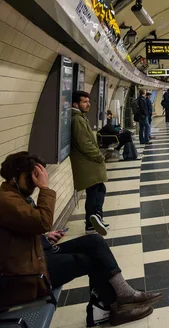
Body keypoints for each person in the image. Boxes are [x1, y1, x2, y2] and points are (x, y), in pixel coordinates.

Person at [0, 152, 162, 326]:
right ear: (14, 176)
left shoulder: (13, 195)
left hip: (36, 256)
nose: (34, 184)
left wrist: (43, 236)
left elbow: (25, 227)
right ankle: (112, 308)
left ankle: (123, 293)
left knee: (94, 241)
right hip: (26, 276)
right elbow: (43, 221)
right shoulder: (3, 200)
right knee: (91, 260)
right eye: (30, 178)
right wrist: (45, 189)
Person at [71, 91, 109, 235]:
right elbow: (84, 143)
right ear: (76, 104)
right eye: (85, 102)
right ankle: (92, 222)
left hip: (88, 162)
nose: (88, 105)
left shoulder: (80, 117)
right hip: (87, 163)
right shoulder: (78, 120)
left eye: (88, 101)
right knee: (94, 192)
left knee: (99, 189)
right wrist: (99, 156)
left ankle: (96, 218)